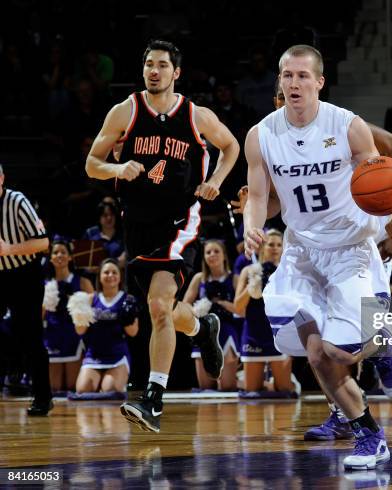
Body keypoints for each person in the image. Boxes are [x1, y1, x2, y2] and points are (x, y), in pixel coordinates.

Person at [243, 44, 392, 471]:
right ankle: (369, 434)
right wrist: (251, 226)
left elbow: (382, 177)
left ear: (319, 81)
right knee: (314, 352)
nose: (293, 83)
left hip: (350, 247)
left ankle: (380, 337)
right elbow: (259, 196)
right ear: (279, 81)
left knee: (340, 352)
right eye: (286, 75)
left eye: (302, 76)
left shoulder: (347, 125)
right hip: (301, 250)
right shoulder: (261, 135)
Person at [85, 39, 239, 432]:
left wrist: (216, 181)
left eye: (162, 65)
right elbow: (92, 164)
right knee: (167, 312)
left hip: (180, 221)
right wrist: (117, 171)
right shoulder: (126, 111)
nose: (154, 71)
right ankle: (202, 328)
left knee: (158, 305)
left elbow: (230, 146)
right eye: (148, 64)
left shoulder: (195, 115)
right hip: (137, 224)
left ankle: (153, 399)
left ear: (176, 73)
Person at [0, 163, 53, 415]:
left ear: (2, 178)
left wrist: (8, 249)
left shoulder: (17, 201)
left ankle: (43, 397)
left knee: (30, 336)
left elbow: (43, 242)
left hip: (24, 274)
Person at [234, 229, 295, 394]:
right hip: (253, 333)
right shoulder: (249, 271)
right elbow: (238, 308)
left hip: (278, 332)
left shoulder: (288, 272)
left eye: (279, 245)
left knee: (284, 390)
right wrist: (254, 283)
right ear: (262, 247)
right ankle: (265, 381)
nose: (275, 248)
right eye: (270, 244)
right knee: (252, 392)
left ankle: (285, 381)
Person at [73, 258, 139, 393]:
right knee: (83, 390)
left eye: (114, 272)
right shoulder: (90, 299)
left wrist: (126, 316)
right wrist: (79, 311)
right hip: (94, 356)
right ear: (99, 276)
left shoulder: (128, 299)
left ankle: (117, 380)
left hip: (118, 356)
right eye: (106, 272)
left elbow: (133, 332)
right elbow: (80, 331)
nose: (110, 276)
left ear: (120, 277)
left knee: (111, 389)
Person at [184, 240, 240, 391]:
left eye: (216, 251)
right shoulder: (199, 278)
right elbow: (185, 304)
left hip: (227, 331)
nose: (212, 255)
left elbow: (241, 308)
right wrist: (199, 309)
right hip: (204, 332)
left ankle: (242, 380)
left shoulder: (234, 278)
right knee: (206, 387)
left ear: (224, 256)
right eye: (208, 252)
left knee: (227, 386)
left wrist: (221, 304)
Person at [43, 239, 94, 392]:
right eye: (55, 252)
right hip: (52, 337)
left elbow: (96, 307)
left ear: (70, 257)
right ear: (50, 258)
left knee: (73, 387)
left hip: (74, 337)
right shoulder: (44, 285)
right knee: (54, 388)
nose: (59, 255)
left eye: (63, 252)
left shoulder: (82, 282)